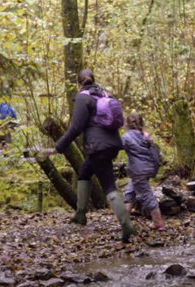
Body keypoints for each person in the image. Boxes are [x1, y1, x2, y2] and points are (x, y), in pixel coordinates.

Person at [46, 69, 137, 243]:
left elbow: (76, 127)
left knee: (109, 186)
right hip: (112, 144)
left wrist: (58, 147)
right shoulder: (103, 94)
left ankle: (127, 226)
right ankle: (80, 214)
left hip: (98, 147)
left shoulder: (83, 97)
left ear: (78, 83)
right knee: (84, 173)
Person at [122, 113, 166, 231]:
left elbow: (117, 148)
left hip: (138, 171)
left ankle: (158, 223)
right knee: (130, 192)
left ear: (127, 124)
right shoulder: (146, 136)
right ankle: (124, 221)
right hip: (147, 169)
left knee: (146, 196)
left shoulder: (126, 137)